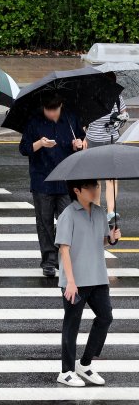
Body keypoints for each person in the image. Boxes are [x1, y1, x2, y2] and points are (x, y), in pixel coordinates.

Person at [55, 179, 120, 387]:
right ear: (77, 190)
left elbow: (98, 239)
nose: (94, 191)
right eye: (90, 188)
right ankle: (66, 371)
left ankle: (85, 363)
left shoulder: (100, 212)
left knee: (105, 316)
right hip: (76, 280)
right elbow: (64, 248)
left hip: (98, 276)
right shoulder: (68, 215)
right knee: (72, 324)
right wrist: (70, 281)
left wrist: (111, 238)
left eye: (96, 187)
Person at [19, 94, 86, 277]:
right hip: (42, 179)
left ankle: (64, 256)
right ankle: (49, 261)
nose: (50, 114)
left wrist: (77, 144)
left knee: (68, 220)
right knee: (44, 221)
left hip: (66, 178)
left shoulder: (70, 119)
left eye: (54, 110)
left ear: (61, 106)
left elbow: (80, 140)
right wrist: (40, 143)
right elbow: (24, 148)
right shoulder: (34, 121)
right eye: (47, 110)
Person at [84, 72, 127, 225]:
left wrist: (121, 119)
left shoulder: (117, 98)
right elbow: (84, 120)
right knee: (95, 179)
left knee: (112, 178)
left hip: (112, 140)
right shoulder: (92, 98)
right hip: (93, 141)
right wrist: (84, 136)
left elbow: (124, 114)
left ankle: (110, 211)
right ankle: (96, 209)